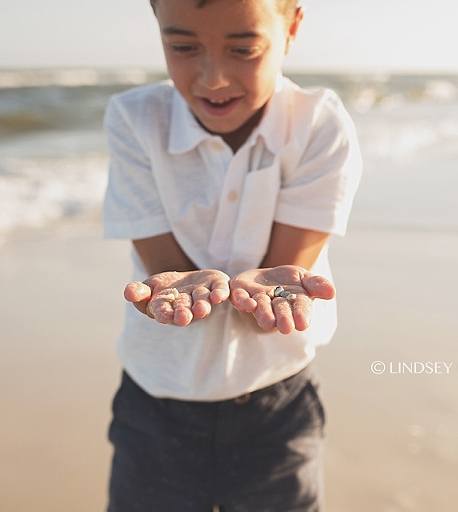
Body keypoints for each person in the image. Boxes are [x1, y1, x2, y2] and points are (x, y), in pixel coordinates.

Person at [101, 0, 362, 510]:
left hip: (277, 404)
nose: (213, 79)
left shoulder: (319, 125)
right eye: (182, 47)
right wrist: (169, 292)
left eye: (243, 49)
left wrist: (266, 301)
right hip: (155, 405)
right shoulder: (135, 120)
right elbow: (167, 282)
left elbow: (277, 311)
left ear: (291, 28)